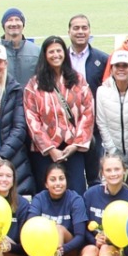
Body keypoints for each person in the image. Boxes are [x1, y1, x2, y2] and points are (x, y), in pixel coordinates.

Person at [24, 35, 93, 194]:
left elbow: (88, 111)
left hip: (73, 148)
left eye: (59, 51)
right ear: (45, 55)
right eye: (51, 52)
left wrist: (76, 144)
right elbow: (31, 118)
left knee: (76, 192)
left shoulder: (78, 80)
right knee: (46, 194)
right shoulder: (34, 84)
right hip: (45, 152)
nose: (56, 55)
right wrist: (50, 149)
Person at [23, 161, 88, 256]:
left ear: (66, 181)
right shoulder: (39, 199)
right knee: (38, 229)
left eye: (61, 178)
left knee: (56, 227)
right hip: (42, 254)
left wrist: (62, 249)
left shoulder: (75, 199)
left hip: (67, 253)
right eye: (52, 179)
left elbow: (80, 236)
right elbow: (30, 228)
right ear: (46, 183)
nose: (58, 183)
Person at [94, 49, 128, 174]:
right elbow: (102, 123)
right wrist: (113, 151)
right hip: (112, 152)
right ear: (111, 69)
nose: (121, 69)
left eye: (125, 65)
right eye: (117, 66)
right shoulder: (102, 91)